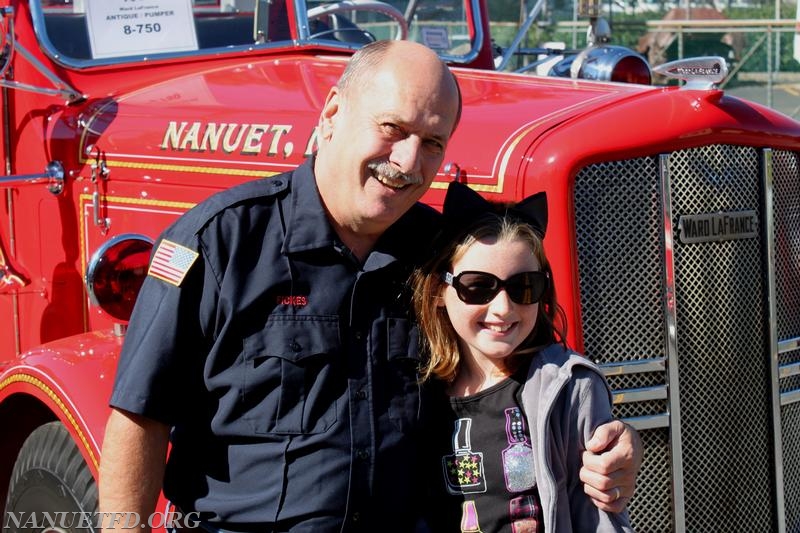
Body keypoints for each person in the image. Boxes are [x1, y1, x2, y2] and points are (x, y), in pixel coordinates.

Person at [99, 39, 640, 532]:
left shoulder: (445, 256)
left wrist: (607, 443)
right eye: (393, 130)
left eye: (432, 142)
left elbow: (527, 367)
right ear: (332, 113)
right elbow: (139, 414)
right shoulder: (220, 242)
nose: (408, 162)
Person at [412, 181, 633, 532]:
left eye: (523, 287)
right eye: (478, 287)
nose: (502, 308)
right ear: (441, 290)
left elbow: (601, 517)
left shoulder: (572, 390)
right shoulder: (413, 387)